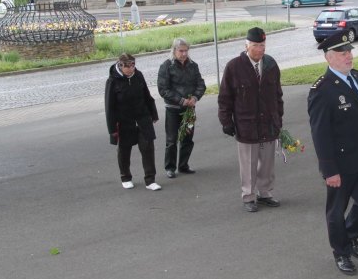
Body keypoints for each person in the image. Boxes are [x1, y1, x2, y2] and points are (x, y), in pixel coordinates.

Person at [307, 31, 358, 276]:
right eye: (342, 53)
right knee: (336, 211)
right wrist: (329, 169)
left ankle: (349, 237)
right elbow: (320, 134)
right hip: (340, 163)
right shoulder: (322, 90)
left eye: (349, 51)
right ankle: (341, 252)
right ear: (328, 57)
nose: (348, 56)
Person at [218, 27, 284, 213]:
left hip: (269, 123)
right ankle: (248, 196)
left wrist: (278, 117)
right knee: (248, 163)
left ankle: (265, 193)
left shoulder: (271, 64)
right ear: (246, 46)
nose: (260, 49)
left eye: (262, 45)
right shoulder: (234, 67)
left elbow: (277, 94)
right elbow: (225, 97)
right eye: (256, 45)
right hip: (246, 124)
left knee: (267, 162)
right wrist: (226, 121)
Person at [104, 53, 161, 191]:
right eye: (127, 66)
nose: (131, 69)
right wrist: (112, 129)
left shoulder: (138, 75)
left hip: (143, 118)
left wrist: (153, 113)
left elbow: (147, 95)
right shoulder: (112, 81)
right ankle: (125, 177)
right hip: (124, 121)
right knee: (124, 150)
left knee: (147, 148)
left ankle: (150, 180)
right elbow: (109, 107)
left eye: (133, 65)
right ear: (120, 65)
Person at [157, 38, 206, 178]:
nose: (184, 54)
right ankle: (170, 168)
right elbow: (163, 89)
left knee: (188, 138)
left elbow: (201, 84)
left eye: (186, 51)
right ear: (174, 50)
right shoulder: (166, 66)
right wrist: (181, 100)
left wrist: (195, 97)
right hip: (173, 109)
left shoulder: (193, 65)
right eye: (181, 51)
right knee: (171, 140)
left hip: (189, 110)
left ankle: (183, 165)